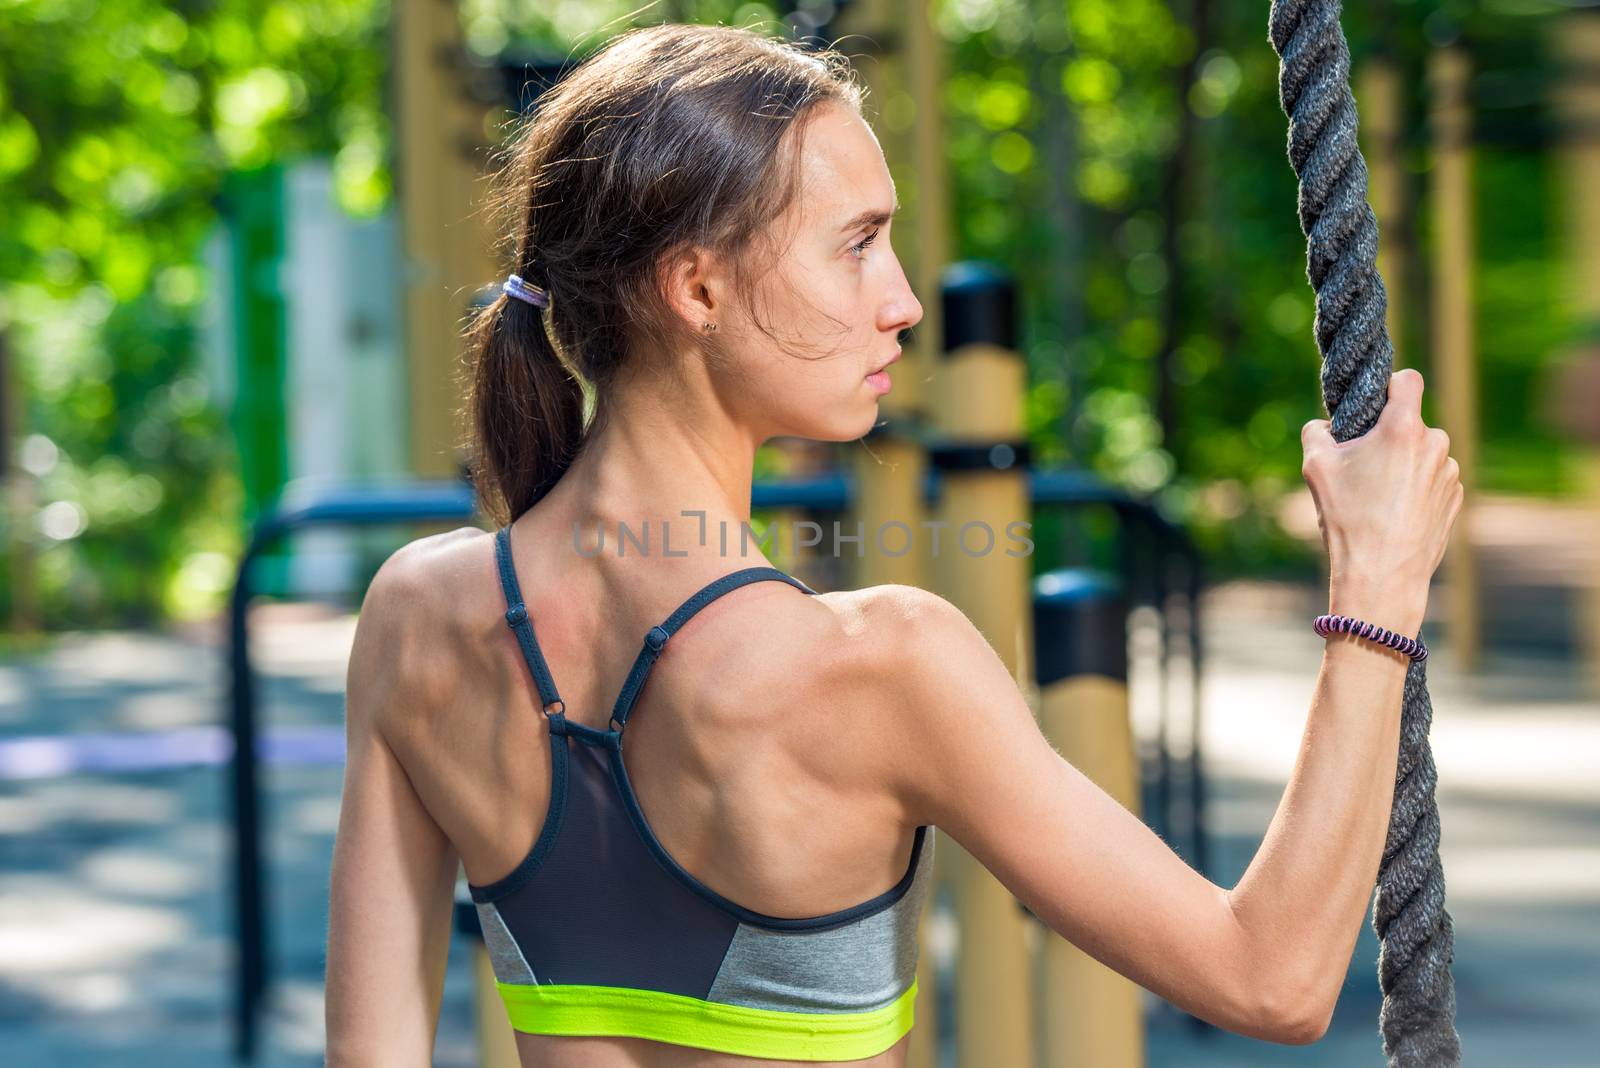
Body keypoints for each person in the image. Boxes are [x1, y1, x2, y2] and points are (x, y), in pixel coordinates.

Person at [323, 21, 1463, 1068]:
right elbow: (1269, 979)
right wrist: (1376, 587)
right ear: (697, 286)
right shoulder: (883, 665)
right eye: (857, 245)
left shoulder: (416, 616)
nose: (904, 300)